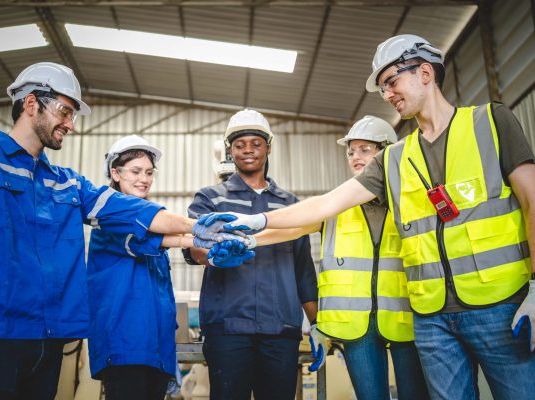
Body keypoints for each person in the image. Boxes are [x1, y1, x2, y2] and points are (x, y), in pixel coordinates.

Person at [202, 34, 535, 399]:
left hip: (499, 304)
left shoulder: (490, 123)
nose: (388, 94)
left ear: (425, 72)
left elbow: (532, 200)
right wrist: (259, 223)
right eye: (382, 88)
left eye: (391, 81)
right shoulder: (395, 159)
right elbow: (326, 204)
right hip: (431, 317)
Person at [0, 61, 238, 399]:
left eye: (73, 116)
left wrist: (197, 227)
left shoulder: (67, 183)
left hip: (47, 342)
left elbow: (132, 211)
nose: (70, 125)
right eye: (65, 112)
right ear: (31, 103)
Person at [258, 115, 428, 399]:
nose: (355, 158)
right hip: (356, 329)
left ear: (388, 151)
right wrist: (249, 235)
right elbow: (290, 229)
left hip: (407, 320)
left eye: (365, 149)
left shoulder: (410, 203)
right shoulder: (335, 205)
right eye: (351, 151)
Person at [87, 135, 244, 400]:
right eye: (135, 171)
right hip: (125, 345)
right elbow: (159, 237)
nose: (144, 179)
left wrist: (210, 244)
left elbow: (162, 240)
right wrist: (198, 232)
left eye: (149, 172)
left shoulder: (149, 220)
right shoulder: (109, 218)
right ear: (115, 172)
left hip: (155, 347)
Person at [184, 108, 318, 400]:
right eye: (239, 144)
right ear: (230, 150)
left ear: (268, 147)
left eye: (255, 144)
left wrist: (318, 325)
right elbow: (191, 246)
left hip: (280, 328)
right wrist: (212, 253)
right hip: (227, 328)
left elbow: (304, 269)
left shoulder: (290, 205)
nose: (247, 150)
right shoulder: (210, 198)